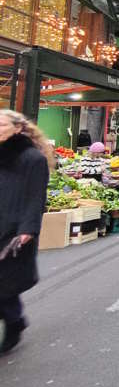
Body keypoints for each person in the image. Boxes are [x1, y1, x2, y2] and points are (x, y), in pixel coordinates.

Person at [0, 110, 53, 354]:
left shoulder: (33, 158)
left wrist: (28, 229)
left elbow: (35, 198)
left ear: (18, 128)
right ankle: (15, 319)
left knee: (5, 282)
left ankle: (14, 322)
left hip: (14, 229)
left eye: (2, 125)